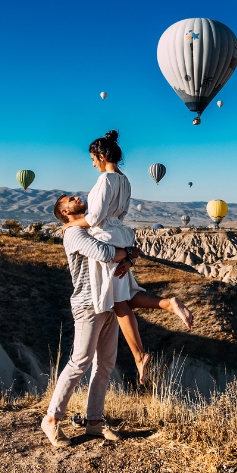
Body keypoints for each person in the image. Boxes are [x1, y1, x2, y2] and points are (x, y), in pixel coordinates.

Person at [42, 194, 193, 448]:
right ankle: (52, 419)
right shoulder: (72, 234)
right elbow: (102, 253)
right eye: (70, 199)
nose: (77, 196)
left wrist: (131, 256)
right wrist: (128, 254)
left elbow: (123, 245)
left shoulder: (99, 227)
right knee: (80, 362)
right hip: (88, 305)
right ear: (64, 211)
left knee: (106, 364)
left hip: (110, 302)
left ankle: (94, 421)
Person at [60, 131, 191, 384]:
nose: (92, 164)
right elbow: (121, 213)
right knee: (124, 298)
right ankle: (165, 307)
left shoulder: (104, 181)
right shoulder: (124, 180)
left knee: (119, 302)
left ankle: (140, 355)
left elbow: (96, 217)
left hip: (106, 238)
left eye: (92, 158)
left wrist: (71, 224)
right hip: (122, 234)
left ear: (100, 156)